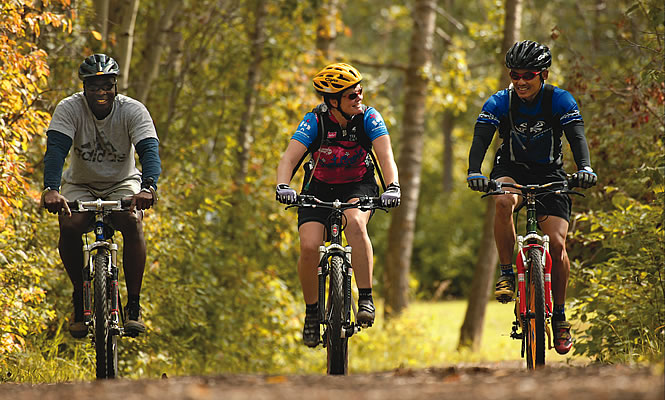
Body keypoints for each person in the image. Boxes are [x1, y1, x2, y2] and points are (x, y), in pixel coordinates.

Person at [466, 40, 597, 355]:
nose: (521, 81)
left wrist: (585, 168)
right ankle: (508, 274)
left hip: (551, 175)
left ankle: (561, 318)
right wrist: (474, 171)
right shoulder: (500, 102)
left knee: (558, 245)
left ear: (544, 74)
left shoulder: (560, 100)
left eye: (529, 75)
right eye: (515, 75)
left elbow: (577, 136)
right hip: (510, 170)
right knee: (502, 202)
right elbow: (481, 139)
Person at [275, 63, 400, 347]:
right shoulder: (314, 122)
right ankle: (311, 313)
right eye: (352, 96)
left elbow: (385, 155)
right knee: (308, 246)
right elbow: (289, 159)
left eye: (360, 92)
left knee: (355, 223)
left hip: (358, 185)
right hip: (318, 187)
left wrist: (393, 187)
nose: (359, 99)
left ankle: (365, 297)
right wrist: (283, 186)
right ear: (333, 102)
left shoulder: (369, 118)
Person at [42, 54, 161, 338]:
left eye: (107, 86)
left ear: (115, 85)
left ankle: (133, 305)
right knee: (69, 225)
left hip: (122, 182)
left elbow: (149, 151)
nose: (101, 92)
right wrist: (51, 189)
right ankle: (79, 295)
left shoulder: (133, 110)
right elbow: (56, 151)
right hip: (80, 184)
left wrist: (149, 188)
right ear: (84, 87)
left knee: (132, 222)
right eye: (94, 87)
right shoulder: (69, 108)